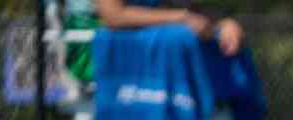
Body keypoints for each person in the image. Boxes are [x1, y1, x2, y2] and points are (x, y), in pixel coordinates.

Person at [65, 1, 248, 84]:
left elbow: (185, 11)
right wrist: (181, 18)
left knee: (228, 44)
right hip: (94, 52)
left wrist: (221, 25)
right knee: (179, 42)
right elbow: (114, 17)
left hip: (141, 42)